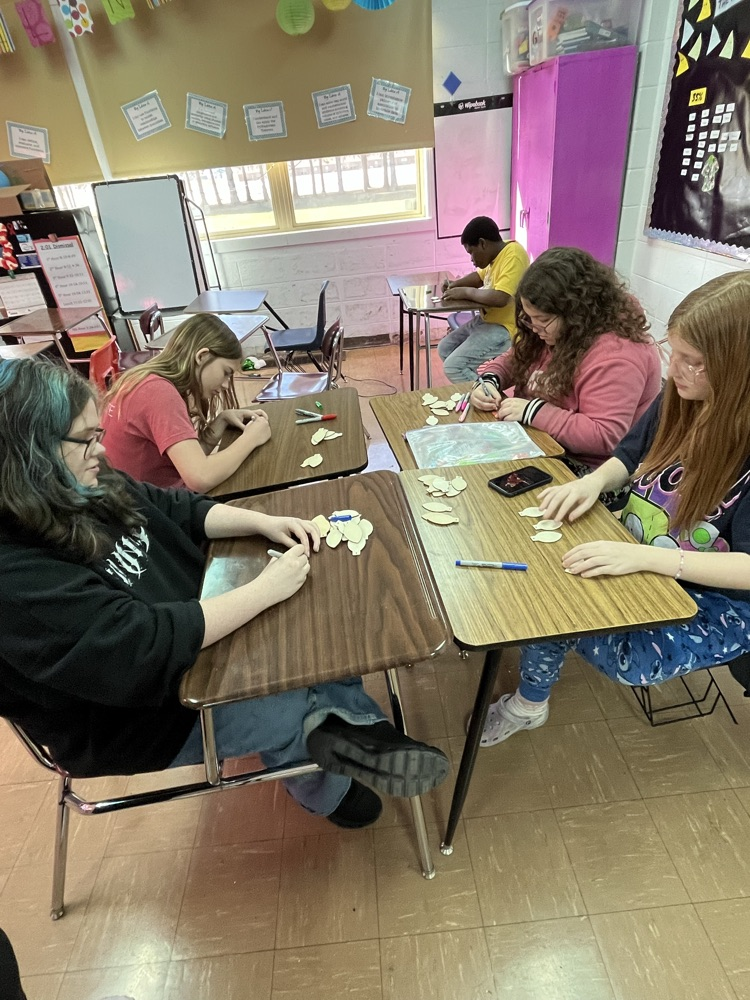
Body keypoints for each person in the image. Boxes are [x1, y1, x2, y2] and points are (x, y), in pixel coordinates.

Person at [0, 359, 449, 828]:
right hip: (136, 716)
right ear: (29, 452)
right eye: (87, 438)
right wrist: (261, 592)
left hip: (190, 626)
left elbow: (173, 506)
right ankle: (332, 783)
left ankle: (355, 730)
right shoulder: (15, 579)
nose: (102, 448)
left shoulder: (79, 478)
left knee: (322, 626)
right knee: (290, 703)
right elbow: (141, 647)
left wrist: (259, 522)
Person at [477, 271, 750, 746]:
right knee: (550, 560)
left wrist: (646, 558)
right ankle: (531, 700)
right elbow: (627, 453)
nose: (674, 370)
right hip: (645, 541)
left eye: (693, 362)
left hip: (716, 594)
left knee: (617, 648)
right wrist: (597, 482)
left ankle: (530, 693)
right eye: (675, 354)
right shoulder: (683, 396)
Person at [470, 246, 662, 478]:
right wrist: (491, 379)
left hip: (590, 471)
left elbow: (604, 436)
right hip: (543, 444)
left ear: (576, 313)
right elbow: (517, 358)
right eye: (529, 319)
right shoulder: (558, 330)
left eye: (543, 320)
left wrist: (534, 411)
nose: (534, 327)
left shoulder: (619, 354)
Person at [101, 314, 272, 492]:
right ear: (202, 356)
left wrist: (221, 421)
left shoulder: (146, 380)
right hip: (150, 511)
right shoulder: (158, 392)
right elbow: (200, 477)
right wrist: (251, 438)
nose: (225, 385)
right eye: (226, 372)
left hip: (144, 500)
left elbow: (189, 461)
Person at [436, 216, 529, 383]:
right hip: (487, 321)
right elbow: (479, 278)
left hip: (506, 328)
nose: (472, 259)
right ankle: (478, 391)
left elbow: (500, 298)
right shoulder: (496, 254)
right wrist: (454, 284)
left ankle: (488, 398)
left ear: (483, 243)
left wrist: (465, 292)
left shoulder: (513, 255)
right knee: (445, 348)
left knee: (454, 367)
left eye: (472, 252)